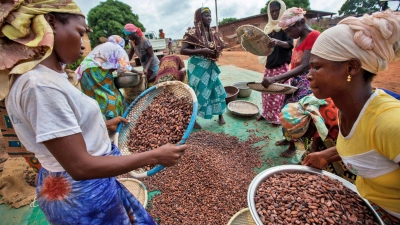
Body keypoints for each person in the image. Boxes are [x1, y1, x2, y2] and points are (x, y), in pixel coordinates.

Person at [1, 1, 187, 224]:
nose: (82, 44)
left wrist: (100, 125)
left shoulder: (49, 77)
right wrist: (155, 156)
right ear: (50, 24)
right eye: (80, 33)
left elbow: (60, 132)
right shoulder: (40, 86)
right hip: (82, 195)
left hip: (85, 184)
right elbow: (80, 166)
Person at [303, 10, 400, 224]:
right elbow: (368, 144)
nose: (308, 75)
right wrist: (326, 155)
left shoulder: (391, 123)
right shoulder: (347, 108)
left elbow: (379, 134)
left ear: (351, 67)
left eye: (317, 67)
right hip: (365, 203)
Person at [263, 7, 320, 147]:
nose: (289, 34)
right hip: (297, 81)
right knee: (286, 110)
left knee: (298, 116)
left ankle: (294, 147)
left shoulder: (313, 35)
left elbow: (305, 66)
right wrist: (283, 80)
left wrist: (275, 78)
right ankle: (289, 139)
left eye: (289, 31)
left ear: (299, 23)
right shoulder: (300, 37)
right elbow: (295, 64)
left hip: (308, 82)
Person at [279, 95, 358, 183]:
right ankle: (301, 169)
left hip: (352, 144)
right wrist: (314, 148)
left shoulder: (337, 124)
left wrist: (326, 156)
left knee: (338, 167)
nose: (304, 139)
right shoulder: (307, 110)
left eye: (304, 136)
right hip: (327, 129)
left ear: (312, 125)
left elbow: (355, 148)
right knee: (312, 150)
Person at [180, 7, 226, 129]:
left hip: (210, 66)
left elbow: (219, 46)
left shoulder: (213, 33)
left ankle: (221, 115)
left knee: (217, 89)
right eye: (206, 16)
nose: (209, 18)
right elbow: (182, 50)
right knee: (198, 92)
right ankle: (193, 119)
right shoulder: (192, 33)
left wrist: (219, 48)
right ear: (200, 18)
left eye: (210, 15)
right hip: (197, 68)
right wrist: (202, 50)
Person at [256, 0, 293, 126]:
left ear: (281, 10)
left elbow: (290, 44)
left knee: (277, 94)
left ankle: (276, 118)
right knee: (265, 91)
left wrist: (277, 42)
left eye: (277, 10)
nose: (275, 13)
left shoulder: (285, 27)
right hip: (270, 64)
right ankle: (265, 114)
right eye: (272, 11)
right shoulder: (268, 28)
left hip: (281, 65)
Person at [76, 35, 130, 120]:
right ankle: (113, 119)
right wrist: (138, 72)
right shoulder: (116, 47)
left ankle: (101, 121)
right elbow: (125, 67)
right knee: (110, 95)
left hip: (84, 70)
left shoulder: (102, 46)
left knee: (94, 97)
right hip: (95, 70)